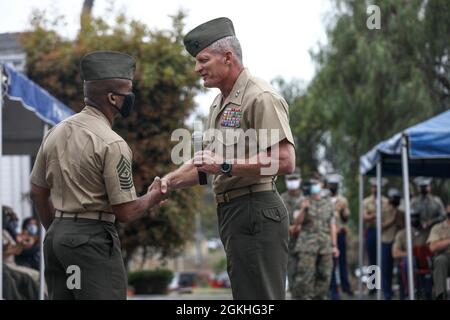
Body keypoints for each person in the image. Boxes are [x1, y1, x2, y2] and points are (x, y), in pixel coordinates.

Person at [160, 17, 296, 299]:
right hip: (234, 213)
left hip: (256, 209)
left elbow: (284, 160)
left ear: (227, 57)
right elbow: (204, 164)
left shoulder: (260, 96)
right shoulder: (219, 103)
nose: (197, 69)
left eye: (203, 60)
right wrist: (168, 182)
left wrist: (224, 165)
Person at [29, 51, 166, 300]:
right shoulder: (112, 144)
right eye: (128, 91)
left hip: (56, 239)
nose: (131, 98)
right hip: (91, 241)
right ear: (113, 98)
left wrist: (60, 228)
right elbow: (125, 211)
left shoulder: (55, 133)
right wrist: (153, 197)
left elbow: (37, 192)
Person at [291, 179, 339, 299]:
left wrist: (334, 245)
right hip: (307, 245)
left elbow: (332, 225)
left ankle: (319, 297)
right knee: (305, 276)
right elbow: (296, 223)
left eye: (317, 184)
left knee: (325, 275)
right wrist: (303, 209)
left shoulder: (328, 203)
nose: (315, 187)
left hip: (325, 245)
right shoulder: (302, 201)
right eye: (313, 184)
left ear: (321, 185)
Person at [392, 207, 429, 299]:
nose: (414, 219)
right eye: (412, 217)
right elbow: (395, 253)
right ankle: (410, 291)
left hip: (424, 263)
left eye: (416, 217)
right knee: (409, 260)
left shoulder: (426, 233)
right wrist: (412, 254)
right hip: (407, 264)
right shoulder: (401, 234)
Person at [326, 174, 353, 299]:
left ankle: (345, 287)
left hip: (340, 234)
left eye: (335, 185)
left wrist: (343, 211)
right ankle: (332, 289)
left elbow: (346, 218)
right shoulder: (324, 198)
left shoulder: (342, 200)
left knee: (342, 261)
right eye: (331, 184)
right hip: (328, 234)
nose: (333, 187)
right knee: (330, 262)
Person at [363, 177, 389, 295]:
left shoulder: (386, 201)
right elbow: (364, 217)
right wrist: (375, 215)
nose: (375, 189)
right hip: (372, 231)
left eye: (377, 187)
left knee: (383, 258)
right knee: (372, 259)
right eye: (374, 186)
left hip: (384, 231)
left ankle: (384, 286)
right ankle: (373, 286)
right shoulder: (366, 201)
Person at [280, 167, 304, 293]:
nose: (292, 182)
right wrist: (288, 228)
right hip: (288, 242)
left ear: (300, 180)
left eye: (295, 179)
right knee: (291, 272)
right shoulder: (280, 199)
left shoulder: (306, 199)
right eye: (290, 179)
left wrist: (300, 227)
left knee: (305, 275)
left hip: (305, 243)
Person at [380, 188, 401, 299]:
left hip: (399, 241)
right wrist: (393, 219)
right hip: (386, 240)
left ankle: (401, 292)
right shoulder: (384, 209)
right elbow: (381, 225)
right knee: (385, 268)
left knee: (400, 268)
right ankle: (382, 291)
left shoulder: (401, 209)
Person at [427, 204, 450, 300]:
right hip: (445, 256)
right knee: (440, 260)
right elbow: (432, 247)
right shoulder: (437, 228)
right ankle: (440, 295)